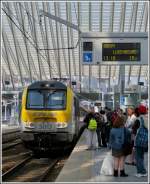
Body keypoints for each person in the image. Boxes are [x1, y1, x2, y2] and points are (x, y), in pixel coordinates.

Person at [134, 112, 148, 177]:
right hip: (145, 141)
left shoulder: (139, 119)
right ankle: (144, 171)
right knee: (141, 157)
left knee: (138, 157)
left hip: (139, 141)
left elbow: (134, 129)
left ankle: (140, 172)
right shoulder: (147, 118)